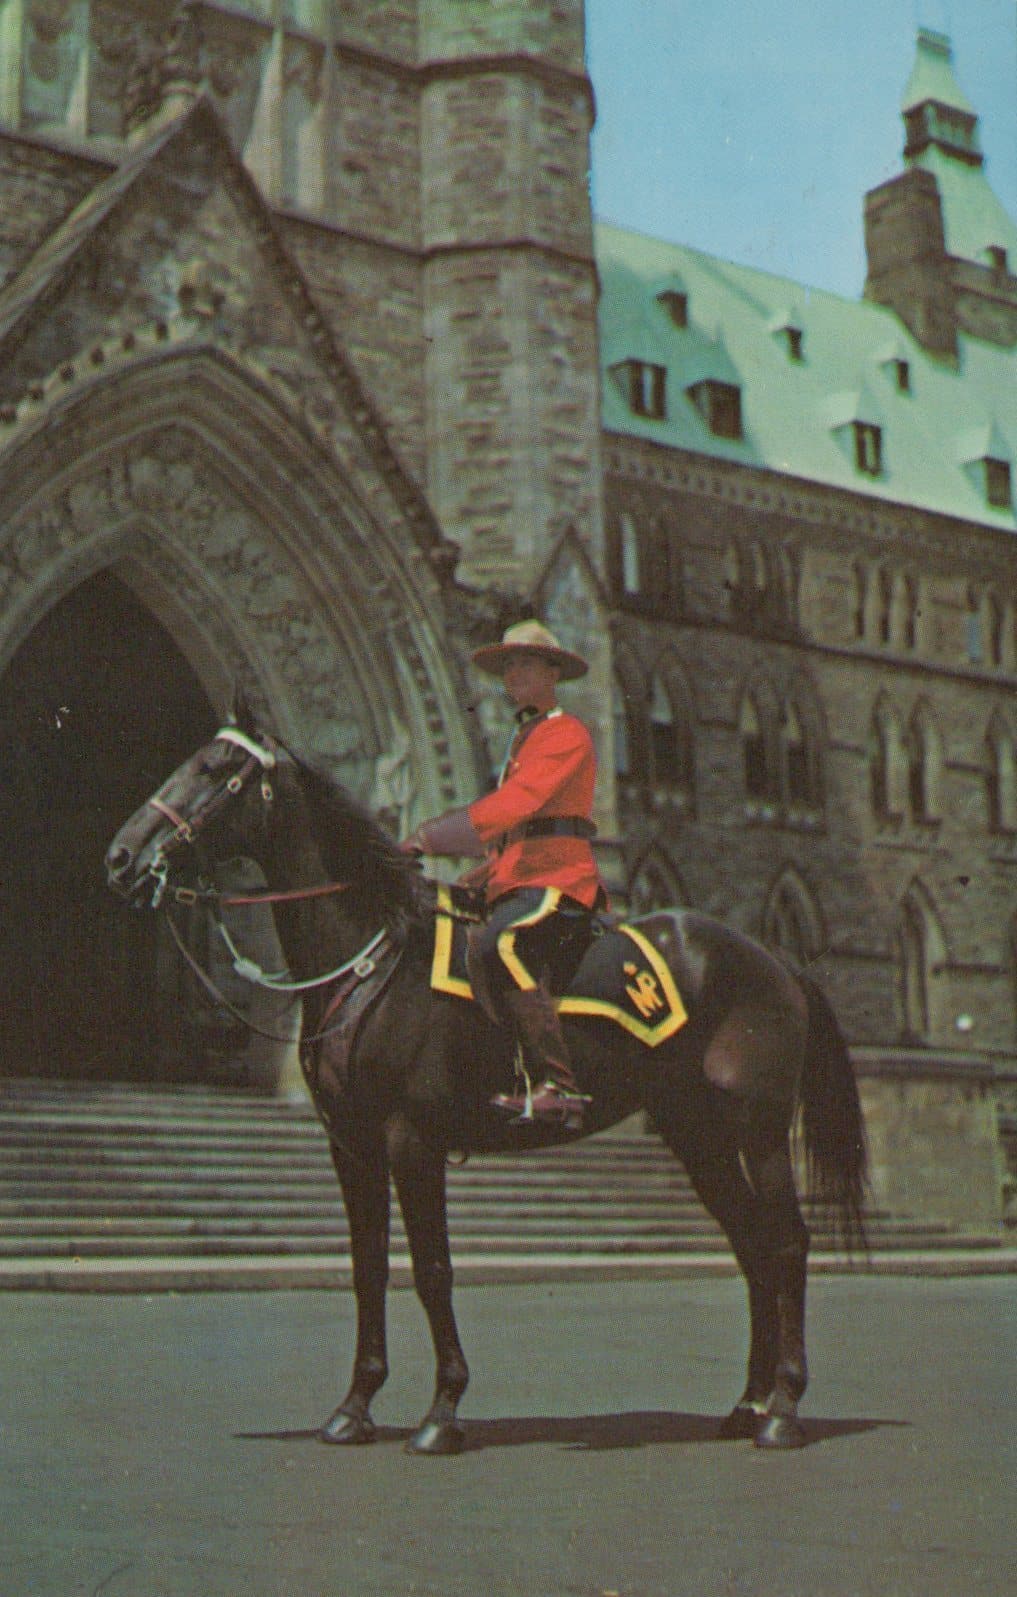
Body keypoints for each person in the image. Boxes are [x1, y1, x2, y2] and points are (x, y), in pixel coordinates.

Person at [401, 620, 607, 1129]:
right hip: (516, 878)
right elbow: (515, 839)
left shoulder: (566, 733)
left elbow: (518, 806)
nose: (513, 674)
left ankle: (561, 1086)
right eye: (508, 665)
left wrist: (431, 837)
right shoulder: (524, 739)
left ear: (552, 672)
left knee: (504, 945)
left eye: (524, 663)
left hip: (560, 882)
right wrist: (480, 874)